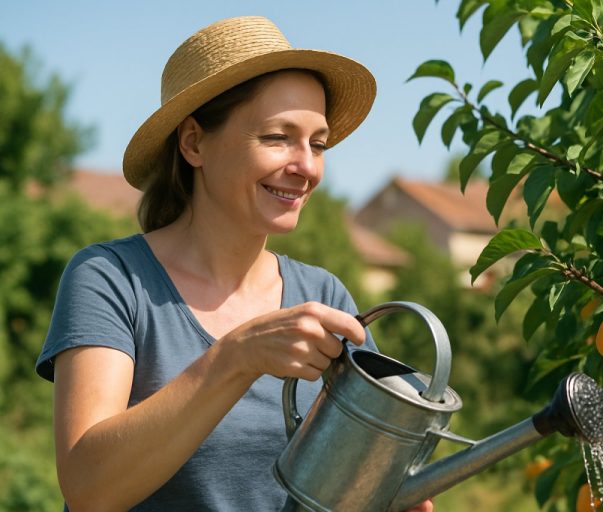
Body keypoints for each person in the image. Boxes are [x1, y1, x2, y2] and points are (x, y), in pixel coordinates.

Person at [36, 16, 433, 512]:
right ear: (194, 143)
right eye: (278, 137)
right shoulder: (112, 279)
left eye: (318, 144)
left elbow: (361, 479)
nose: (306, 167)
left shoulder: (324, 295)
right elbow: (88, 488)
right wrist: (236, 357)